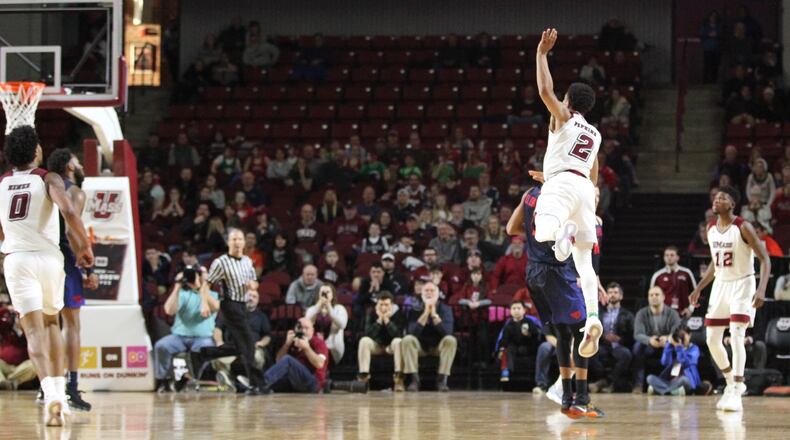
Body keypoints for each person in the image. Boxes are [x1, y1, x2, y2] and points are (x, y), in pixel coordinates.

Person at [0, 126, 94, 426]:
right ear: (36, 151)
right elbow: (69, 211)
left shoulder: (1, 183)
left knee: (33, 332)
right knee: (53, 322)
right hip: (48, 258)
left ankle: (51, 395)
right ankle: (61, 392)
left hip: (16, 260)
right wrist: (84, 247)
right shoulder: (48, 177)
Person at [506, 182, 604, 418]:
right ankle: (581, 398)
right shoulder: (567, 200)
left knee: (563, 334)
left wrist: (534, 235)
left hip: (534, 272)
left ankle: (566, 397)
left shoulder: (530, 193)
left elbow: (511, 228)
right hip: (556, 273)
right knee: (584, 331)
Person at [534, 29, 603, 359]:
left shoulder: (564, 117)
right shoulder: (595, 133)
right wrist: (594, 192)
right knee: (585, 264)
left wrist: (541, 55)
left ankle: (562, 238)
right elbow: (593, 169)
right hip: (584, 190)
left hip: (561, 184)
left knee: (544, 227)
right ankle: (593, 318)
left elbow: (545, 90)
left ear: (568, 102)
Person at [689, 186, 770, 412]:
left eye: (722, 197)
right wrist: (699, 288)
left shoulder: (743, 227)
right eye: (715, 197)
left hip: (743, 283)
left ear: (732, 204)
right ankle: (730, 382)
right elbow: (715, 263)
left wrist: (762, 288)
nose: (717, 200)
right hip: (721, 285)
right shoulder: (711, 228)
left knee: (736, 334)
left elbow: (765, 259)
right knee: (712, 339)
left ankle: (738, 386)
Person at [44, 149, 99, 411]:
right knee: (72, 325)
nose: (80, 164)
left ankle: (49, 388)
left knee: (48, 325)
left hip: (42, 257)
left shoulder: (45, 187)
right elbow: (69, 227)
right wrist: (87, 267)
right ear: (69, 166)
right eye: (77, 160)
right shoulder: (75, 191)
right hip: (64, 260)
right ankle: (71, 388)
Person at [204, 228, 265, 394]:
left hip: (241, 307)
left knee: (245, 348)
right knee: (248, 345)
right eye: (234, 239)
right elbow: (207, 284)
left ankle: (204, 355)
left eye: (240, 239)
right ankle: (256, 384)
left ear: (244, 242)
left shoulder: (247, 261)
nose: (237, 242)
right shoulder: (221, 262)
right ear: (228, 242)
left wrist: (253, 285)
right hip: (229, 305)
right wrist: (204, 304)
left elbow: (254, 281)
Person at [154, 266, 219, 392]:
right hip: (179, 337)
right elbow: (169, 310)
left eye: (202, 273)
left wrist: (200, 288)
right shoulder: (183, 294)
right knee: (161, 345)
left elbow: (213, 308)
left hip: (203, 337)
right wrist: (177, 286)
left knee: (204, 349)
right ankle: (163, 380)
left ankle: (193, 379)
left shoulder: (214, 295)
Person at [211, 289, 271, 393]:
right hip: (232, 346)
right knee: (216, 356)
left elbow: (267, 336)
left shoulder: (261, 317)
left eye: (254, 296)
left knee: (258, 357)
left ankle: (253, 382)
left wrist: (261, 343)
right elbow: (217, 329)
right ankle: (228, 381)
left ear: (258, 300)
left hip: (252, 347)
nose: (251, 298)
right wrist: (219, 342)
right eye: (249, 296)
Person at [401, 282, 457, 392]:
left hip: (438, 346)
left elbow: (447, 332)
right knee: (407, 340)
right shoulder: (415, 309)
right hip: (420, 346)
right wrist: (425, 314)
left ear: (438, 294)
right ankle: (414, 380)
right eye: (426, 291)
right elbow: (412, 333)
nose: (429, 293)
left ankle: (441, 380)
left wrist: (434, 316)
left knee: (451, 340)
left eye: (432, 291)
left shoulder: (446, 309)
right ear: (421, 294)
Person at [632, 286, 681, 393]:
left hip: (668, 345)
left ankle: (672, 382)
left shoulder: (673, 314)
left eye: (657, 294)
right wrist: (650, 340)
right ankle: (638, 384)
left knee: (678, 347)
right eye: (651, 295)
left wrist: (668, 339)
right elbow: (637, 334)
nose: (654, 297)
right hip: (649, 345)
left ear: (663, 297)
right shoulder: (641, 313)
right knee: (637, 347)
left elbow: (677, 333)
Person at [261, 317, 329, 393]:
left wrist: (306, 348)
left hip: (313, 382)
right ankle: (254, 386)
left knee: (288, 360)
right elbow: (278, 361)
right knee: (275, 382)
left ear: (312, 330)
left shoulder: (318, 342)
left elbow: (319, 364)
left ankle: (262, 383)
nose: (303, 331)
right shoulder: (292, 342)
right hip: (294, 381)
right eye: (300, 328)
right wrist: (286, 345)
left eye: (307, 328)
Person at [589, 283, 634, 393]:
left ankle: (609, 382)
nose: (612, 295)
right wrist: (603, 337)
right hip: (603, 344)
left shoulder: (628, 315)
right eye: (609, 292)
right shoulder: (598, 313)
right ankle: (606, 381)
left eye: (615, 292)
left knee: (626, 354)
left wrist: (620, 339)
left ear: (621, 296)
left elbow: (632, 334)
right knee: (591, 352)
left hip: (620, 345)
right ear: (605, 295)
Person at [357, 292, 405, 391]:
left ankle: (399, 379)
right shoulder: (371, 313)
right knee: (364, 341)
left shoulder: (399, 314)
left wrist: (387, 321)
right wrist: (379, 321)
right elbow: (367, 334)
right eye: (381, 305)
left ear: (391, 305)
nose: (383, 308)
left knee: (398, 341)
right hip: (377, 346)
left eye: (386, 305)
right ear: (376, 305)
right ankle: (363, 378)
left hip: (391, 346)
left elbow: (399, 334)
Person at [646, 326, 704, 396]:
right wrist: (668, 345)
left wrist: (679, 347)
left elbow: (686, 363)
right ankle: (671, 391)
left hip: (686, 381)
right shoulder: (672, 346)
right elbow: (664, 362)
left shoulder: (694, 348)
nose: (681, 338)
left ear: (690, 335)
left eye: (683, 335)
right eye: (679, 336)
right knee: (650, 378)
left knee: (683, 380)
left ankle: (661, 390)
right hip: (671, 382)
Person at [495, 300, 541, 383]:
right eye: (514, 308)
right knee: (507, 349)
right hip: (514, 347)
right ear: (510, 311)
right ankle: (506, 371)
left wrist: (528, 335)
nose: (516, 310)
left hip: (527, 347)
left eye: (519, 308)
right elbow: (504, 339)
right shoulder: (509, 324)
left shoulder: (529, 322)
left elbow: (536, 336)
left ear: (524, 310)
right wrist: (501, 349)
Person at [305, 284, 348, 364]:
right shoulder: (312, 309)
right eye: (322, 292)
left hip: (332, 349)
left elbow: (342, 325)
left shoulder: (339, 309)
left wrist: (329, 307)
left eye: (327, 292)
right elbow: (306, 323)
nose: (325, 294)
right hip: (313, 347)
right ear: (318, 295)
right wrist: (318, 306)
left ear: (333, 295)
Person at [650, 246, 698, 318]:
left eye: (672, 255)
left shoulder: (686, 273)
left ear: (677, 257)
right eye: (666, 255)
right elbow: (651, 296)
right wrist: (656, 310)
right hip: (664, 315)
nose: (669, 257)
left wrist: (690, 309)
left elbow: (695, 293)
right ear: (663, 258)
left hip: (683, 314)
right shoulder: (657, 276)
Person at [0, 301, 37, 391]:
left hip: (22, 368)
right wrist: (7, 309)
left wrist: (25, 331)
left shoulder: (32, 332)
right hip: (5, 365)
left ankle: (8, 382)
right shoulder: (7, 327)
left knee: (35, 365)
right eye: (17, 317)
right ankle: (3, 382)